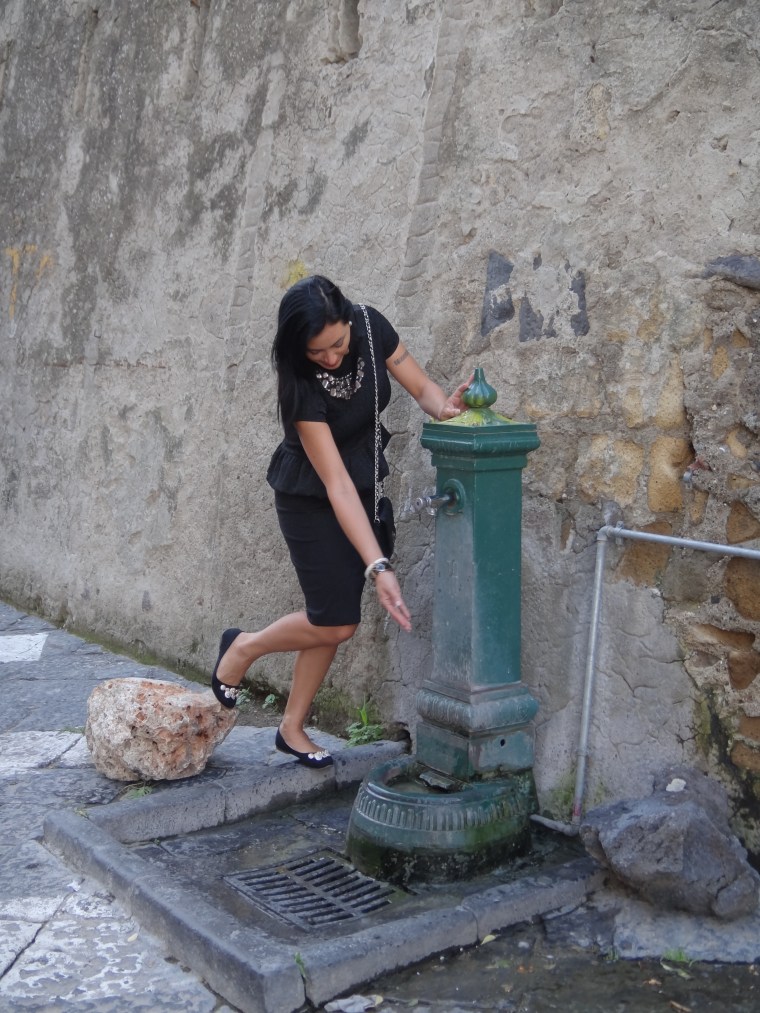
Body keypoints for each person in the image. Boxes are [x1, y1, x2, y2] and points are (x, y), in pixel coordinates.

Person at [210, 275, 471, 767]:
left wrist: (447, 410)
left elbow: (420, 387)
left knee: (329, 620)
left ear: (349, 321)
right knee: (336, 622)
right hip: (311, 499)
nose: (330, 358)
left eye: (337, 344)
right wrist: (379, 566)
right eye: (317, 352)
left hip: (363, 491)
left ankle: (290, 727)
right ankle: (244, 648)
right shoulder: (298, 384)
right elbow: (335, 483)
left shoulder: (372, 329)